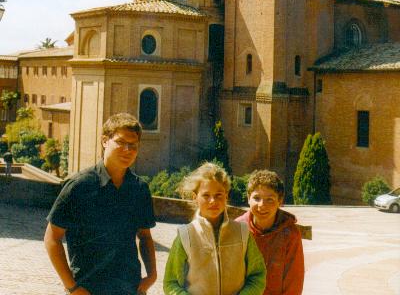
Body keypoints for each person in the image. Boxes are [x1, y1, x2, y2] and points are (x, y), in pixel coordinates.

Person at [44, 113, 157, 295]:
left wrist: (152, 276)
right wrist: (72, 287)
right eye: (120, 142)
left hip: (128, 287)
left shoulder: (139, 189)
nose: (127, 150)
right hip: (87, 288)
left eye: (133, 145)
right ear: (105, 141)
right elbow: (52, 238)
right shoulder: (79, 185)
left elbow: (145, 236)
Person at [163, 162, 266, 295]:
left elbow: (258, 275)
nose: (213, 201)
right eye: (206, 195)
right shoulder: (185, 235)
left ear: (226, 196)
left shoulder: (242, 232)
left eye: (218, 195)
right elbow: (171, 283)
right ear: (195, 198)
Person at [236, 170, 304, 295]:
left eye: (270, 200)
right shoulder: (237, 230)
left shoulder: (290, 234)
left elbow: (294, 281)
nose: (262, 205)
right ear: (248, 198)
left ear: (280, 201)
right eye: (256, 198)